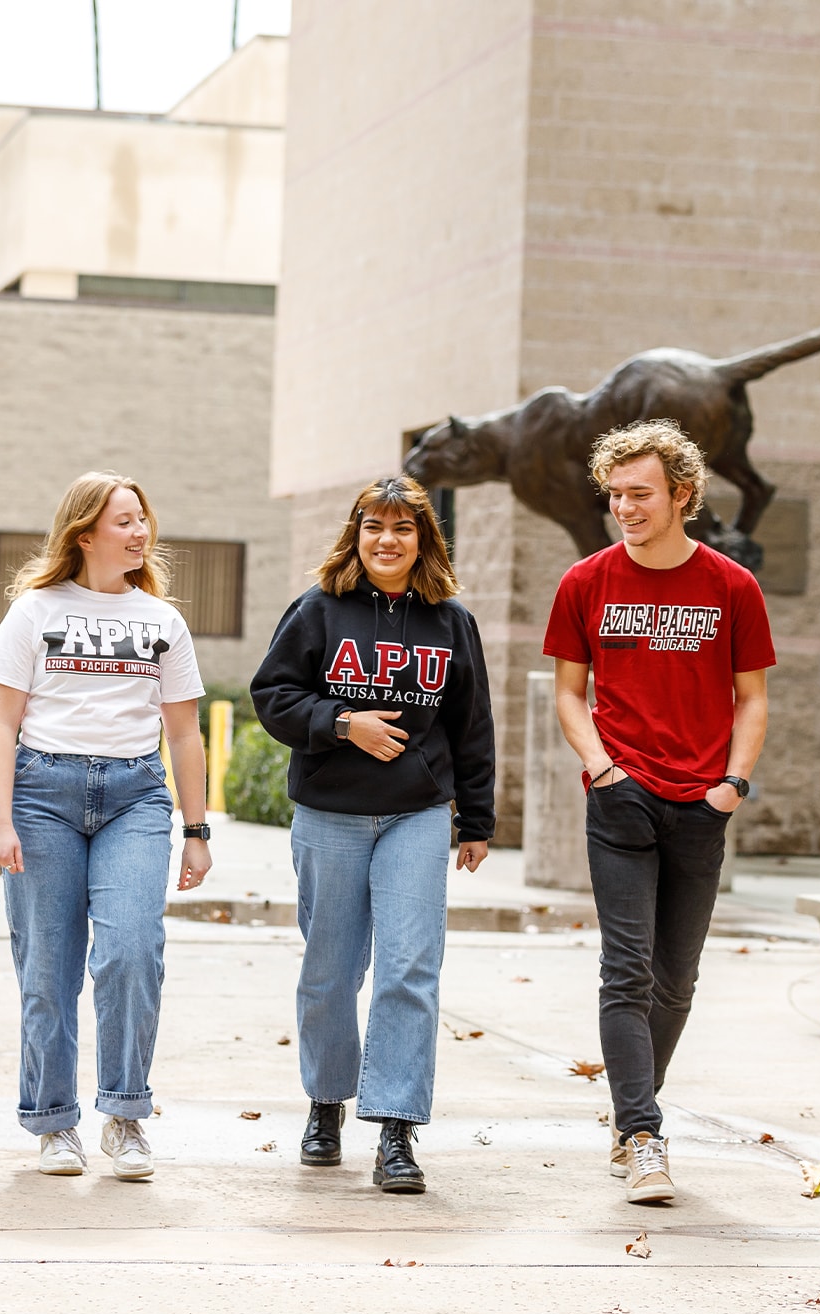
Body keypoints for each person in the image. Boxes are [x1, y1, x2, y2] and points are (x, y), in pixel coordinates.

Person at [543, 420, 774, 1205]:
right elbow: (569, 692)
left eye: (640, 494)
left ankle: (629, 1112)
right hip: (621, 797)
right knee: (627, 970)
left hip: (701, 804)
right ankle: (643, 1133)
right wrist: (602, 768)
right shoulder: (586, 583)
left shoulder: (733, 587)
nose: (625, 508)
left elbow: (753, 699)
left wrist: (732, 785)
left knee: (677, 981)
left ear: (682, 493)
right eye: (615, 495)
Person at [251, 475, 496, 1194]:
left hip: (416, 813)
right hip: (330, 813)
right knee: (330, 971)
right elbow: (273, 695)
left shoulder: (452, 623)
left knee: (410, 967)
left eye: (403, 528)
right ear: (355, 535)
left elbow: (471, 726)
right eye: (373, 527)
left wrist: (475, 818)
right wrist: (340, 722)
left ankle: (396, 1127)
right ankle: (326, 1103)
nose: (387, 540)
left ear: (424, 539)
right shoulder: (318, 611)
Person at [0, 471, 213, 1181]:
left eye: (143, 519)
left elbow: (185, 734)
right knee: (47, 967)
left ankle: (126, 1115)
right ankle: (53, 1124)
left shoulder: (162, 622)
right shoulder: (33, 611)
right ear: (85, 533)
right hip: (42, 794)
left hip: (135, 798)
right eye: (124, 521)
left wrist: (197, 829)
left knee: (133, 950)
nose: (140, 532)